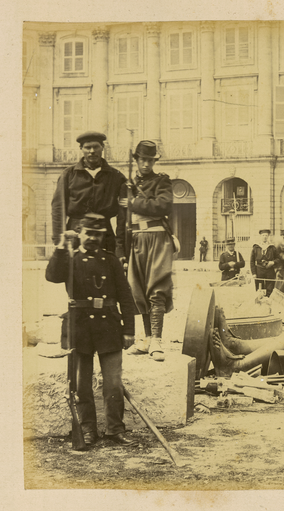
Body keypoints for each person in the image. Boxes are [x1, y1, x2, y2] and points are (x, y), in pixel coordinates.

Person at [45, 213, 138, 447]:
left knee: (113, 383)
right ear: (80, 234)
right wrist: (60, 247)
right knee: (81, 385)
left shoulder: (111, 261)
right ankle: (87, 430)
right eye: (89, 234)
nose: (93, 238)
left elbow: (126, 297)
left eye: (98, 234)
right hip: (79, 327)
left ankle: (115, 430)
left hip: (109, 327)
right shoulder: (70, 259)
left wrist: (129, 330)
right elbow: (52, 276)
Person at [116, 140, 174, 362]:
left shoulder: (162, 182)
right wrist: (120, 250)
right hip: (136, 240)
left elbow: (163, 206)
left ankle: (158, 340)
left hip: (157, 238)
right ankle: (148, 339)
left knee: (156, 288)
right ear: (136, 160)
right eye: (143, 160)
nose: (146, 164)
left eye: (150, 160)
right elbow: (121, 222)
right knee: (138, 290)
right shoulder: (126, 186)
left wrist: (133, 203)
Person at [51, 131, 127, 253]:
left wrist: (120, 247)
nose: (92, 151)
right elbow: (58, 209)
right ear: (81, 149)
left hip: (104, 234)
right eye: (87, 147)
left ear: (103, 148)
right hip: (75, 234)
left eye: (96, 147)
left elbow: (123, 215)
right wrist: (59, 239)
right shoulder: (69, 175)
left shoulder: (116, 176)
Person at [250, 228, 276, 297]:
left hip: (270, 271)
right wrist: (254, 273)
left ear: (268, 237)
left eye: (266, 235)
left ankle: (269, 303)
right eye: (263, 235)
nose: (265, 237)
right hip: (259, 271)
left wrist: (273, 262)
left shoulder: (272, 247)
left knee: (270, 289)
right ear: (260, 236)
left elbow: (278, 259)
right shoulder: (256, 247)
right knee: (259, 290)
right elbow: (252, 261)